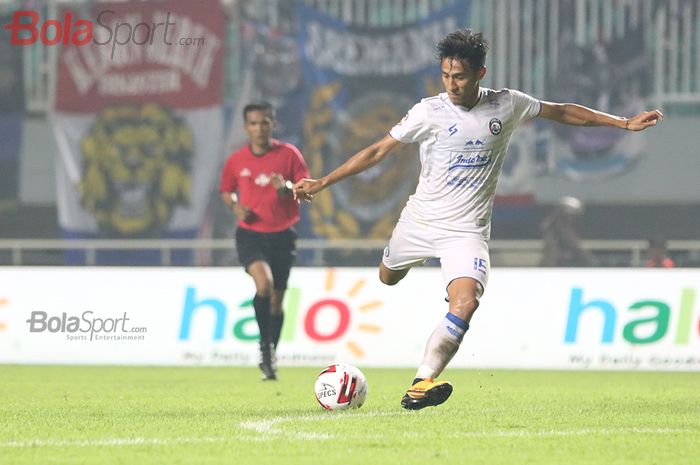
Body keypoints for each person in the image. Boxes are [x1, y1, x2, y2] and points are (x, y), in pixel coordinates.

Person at [294, 29, 663, 409]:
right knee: (387, 277)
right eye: (446, 76)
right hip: (419, 222)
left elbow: (563, 111)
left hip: (465, 232)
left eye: (460, 77)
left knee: (466, 302)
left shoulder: (507, 104)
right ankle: (396, 263)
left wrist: (622, 123)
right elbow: (377, 152)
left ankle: (422, 381)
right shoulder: (428, 111)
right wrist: (323, 182)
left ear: (480, 74)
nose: (452, 85)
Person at [220, 102, 309, 381]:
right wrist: (235, 206)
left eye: (265, 122)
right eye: (254, 123)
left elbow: (304, 187)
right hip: (250, 234)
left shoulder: (289, 155)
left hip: (282, 235)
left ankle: (270, 355)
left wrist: (286, 189)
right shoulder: (236, 160)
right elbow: (227, 191)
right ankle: (264, 346)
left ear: (273, 124)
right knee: (265, 285)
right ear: (246, 127)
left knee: (276, 303)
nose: (260, 128)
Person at [540, 196, 596, 267]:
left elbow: (580, 252)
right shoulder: (552, 230)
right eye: (567, 217)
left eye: (574, 217)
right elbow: (551, 255)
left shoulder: (569, 232)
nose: (571, 220)